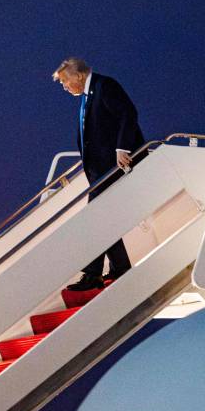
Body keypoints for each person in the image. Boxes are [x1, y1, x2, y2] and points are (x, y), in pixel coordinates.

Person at [53, 57, 146, 291]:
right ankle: (120, 268)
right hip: (98, 170)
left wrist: (122, 148)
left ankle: (93, 274)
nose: (64, 87)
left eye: (65, 81)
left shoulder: (105, 86)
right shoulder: (87, 96)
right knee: (105, 219)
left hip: (112, 167)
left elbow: (128, 114)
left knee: (95, 218)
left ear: (79, 76)